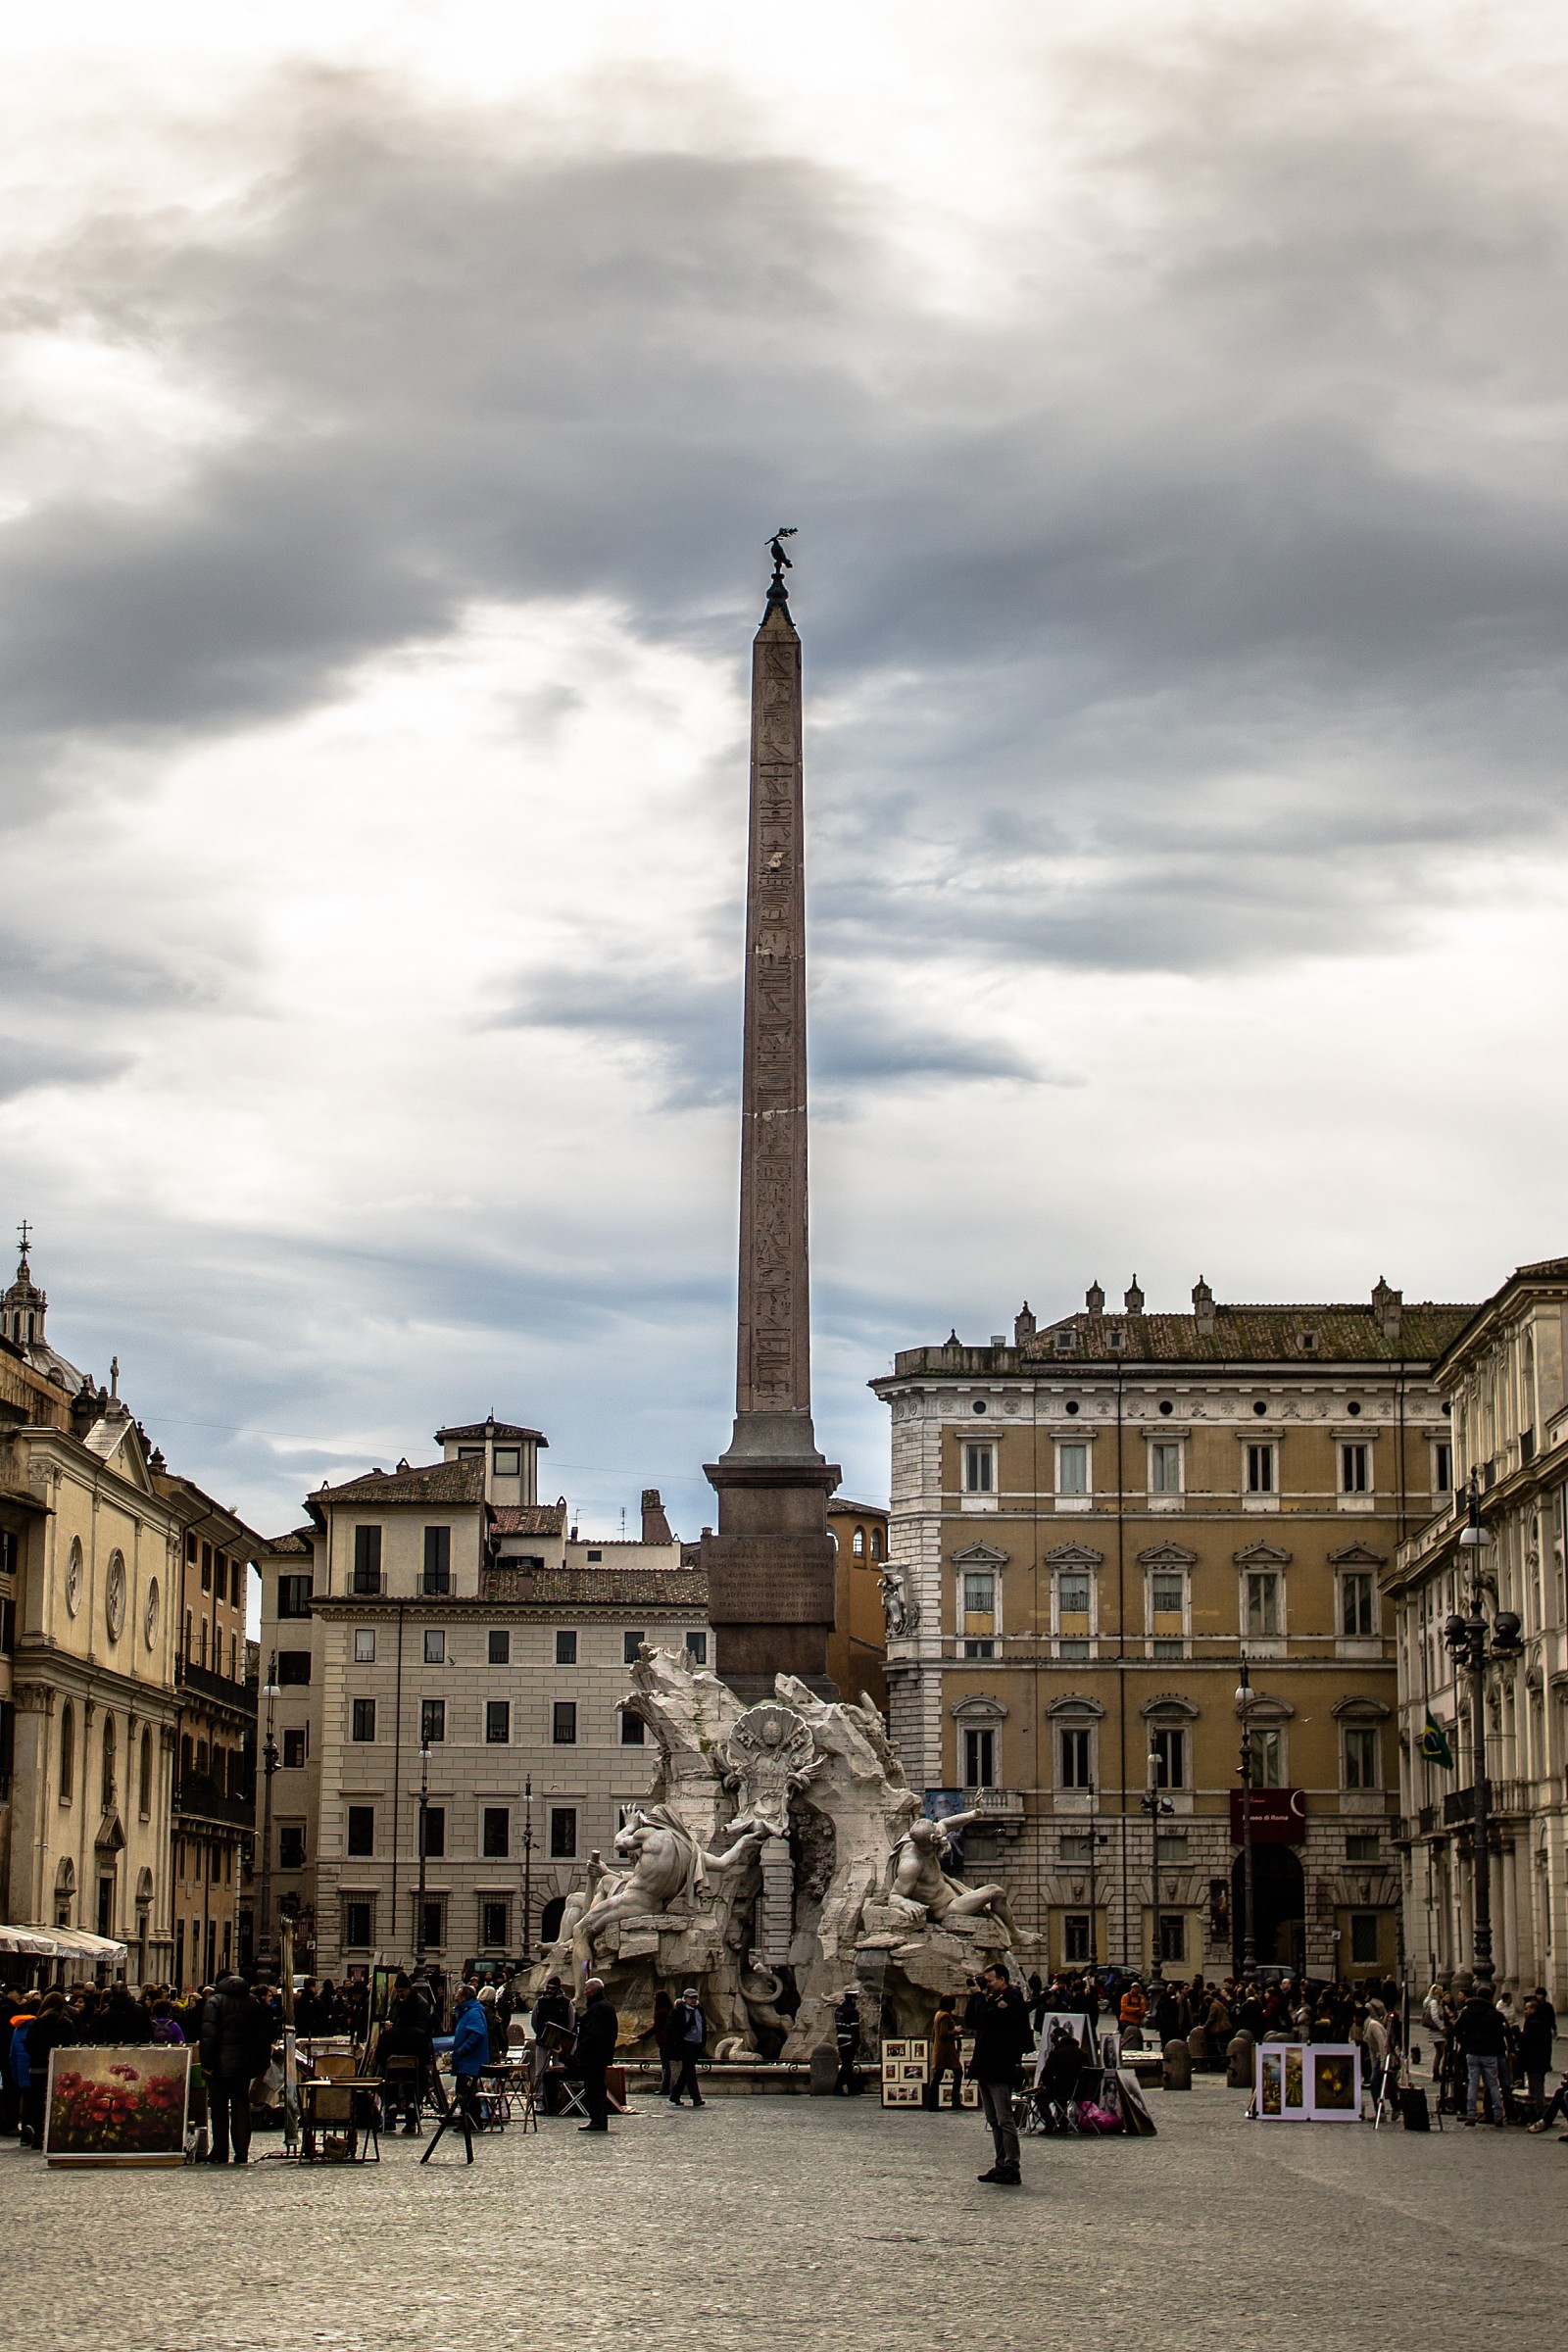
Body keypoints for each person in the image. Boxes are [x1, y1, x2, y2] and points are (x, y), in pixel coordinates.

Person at [199, 1972, 274, 2165]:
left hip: (219, 2065)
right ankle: (241, 2151)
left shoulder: (215, 2002)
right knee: (241, 2106)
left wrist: (206, 2064)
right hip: (244, 2064)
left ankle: (220, 2151)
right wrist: (262, 2063)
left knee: (219, 2109)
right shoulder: (253, 2002)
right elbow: (263, 2035)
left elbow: (209, 2036)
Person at [968, 1962, 1030, 2185]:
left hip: (1000, 2068)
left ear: (1002, 1979)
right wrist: (974, 1997)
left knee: (1005, 2120)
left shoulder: (1011, 1999)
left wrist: (978, 1998)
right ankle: (1001, 2163)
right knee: (993, 2120)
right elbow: (972, 2021)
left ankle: (1012, 2166)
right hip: (986, 2067)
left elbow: (988, 2018)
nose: (988, 1984)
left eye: (990, 1980)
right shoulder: (992, 1999)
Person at [1450, 1987, 1509, 2127]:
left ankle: (1471, 2115)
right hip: (1489, 2052)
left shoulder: (1467, 2011)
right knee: (1493, 2085)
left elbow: (1456, 2030)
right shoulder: (1493, 2014)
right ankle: (1498, 2115)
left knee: (1473, 2083)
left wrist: (1465, 2043)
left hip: (1472, 2051)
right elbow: (1501, 2032)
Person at [574, 1978, 618, 2132]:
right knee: (599, 2087)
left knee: (593, 2088)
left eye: (586, 1989)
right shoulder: (607, 2006)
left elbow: (593, 2034)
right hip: (603, 2055)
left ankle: (596, 2120)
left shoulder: (597, 2008)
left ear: (592, 1991)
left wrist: (581, 2049)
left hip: (593, 2056)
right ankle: (601, 2119)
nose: (585, 1991)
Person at [450, 1984, 491, 2131]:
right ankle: (468, 2120)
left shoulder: (472, 2012)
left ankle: (472, 2121)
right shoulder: (467, 2011)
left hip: (470, 2061)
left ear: (465, 1997)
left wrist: (463, 2050)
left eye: (458, 1995)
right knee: (464, 2091)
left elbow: (478, 2033)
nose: (456, 1998)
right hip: (467, 2060)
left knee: (465, 2091)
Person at [667, 1987, 708, 2107]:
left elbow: (703, 2025)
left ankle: (675, 2096)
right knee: (690, 2071)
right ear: (685, 1998)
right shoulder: (678, 2010)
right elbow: (673, 2029)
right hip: (686, 2044)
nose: (694, 2000)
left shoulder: (699, 2009)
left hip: (697, 2044)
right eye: (691, 1998)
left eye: (695, 1997)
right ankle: (696, 2098)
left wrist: (703, 2041)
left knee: (686, 2071)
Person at [924, 1997, 963, 2112]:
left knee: (938, 2076)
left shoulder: (938, 2014)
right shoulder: (945, 2016)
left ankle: (933, 2104)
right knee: (957, 2072)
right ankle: (953, 2102)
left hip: (940, 2050)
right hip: (946, 2051)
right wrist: (956, 2031)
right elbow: (943, 2033)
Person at [1519, 1996, 1554, 2112]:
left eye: (1527, 2009)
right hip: (1541, 2060)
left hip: (1534, 2061)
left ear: (1534, 2009)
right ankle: (1541, 2108)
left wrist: (1516, 2034)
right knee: (1539, 2086)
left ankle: (1539, 2111)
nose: (1525, 2011)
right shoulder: (1542, 2022)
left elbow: (1525, 2041)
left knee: (1535, 2088)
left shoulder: (1534, 2023)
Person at [834, 1989, 863, 2095]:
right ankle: (837, 2086)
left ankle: (852, 2088)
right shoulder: (852, 2012)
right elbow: (854, 2029)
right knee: (847, 2065)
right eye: (855, 1999)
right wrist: (857, 2041)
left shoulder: (838, 2010)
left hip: (841, 2039)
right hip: (850, 2040)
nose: (856, 2001)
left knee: (847, 2063)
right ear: (852, 1999)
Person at [653, 1990, 676, 2095]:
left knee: (665, 2065)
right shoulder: (672, 2010)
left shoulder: (661, 2012)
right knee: (668, 2064)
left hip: (664, 2041)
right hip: (671, 2040)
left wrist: (641, 2036)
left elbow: (656, 2028)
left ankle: (665, 2087)